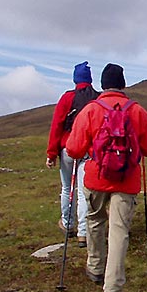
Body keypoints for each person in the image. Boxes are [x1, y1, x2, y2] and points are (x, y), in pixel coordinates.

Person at [66, 63, 147, 292]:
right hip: (126, 180)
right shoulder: (137, 111)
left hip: (96, 177)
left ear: (102, 84)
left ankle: (95, 267)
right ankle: (113, 287)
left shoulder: (90, 110)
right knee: (119, 231)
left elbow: (74, 149)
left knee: (95, 220)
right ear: (123, 84)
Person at [46, 61, 99, 247]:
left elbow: (57, 126)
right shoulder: (97, 99)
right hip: (88, 150)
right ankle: (83, 234)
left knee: (67, 187)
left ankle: (68, 224)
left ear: (75, 78)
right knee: (85, 192)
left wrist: (51, 153)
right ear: (90, 79)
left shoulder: (67, 98)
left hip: (68, 148)